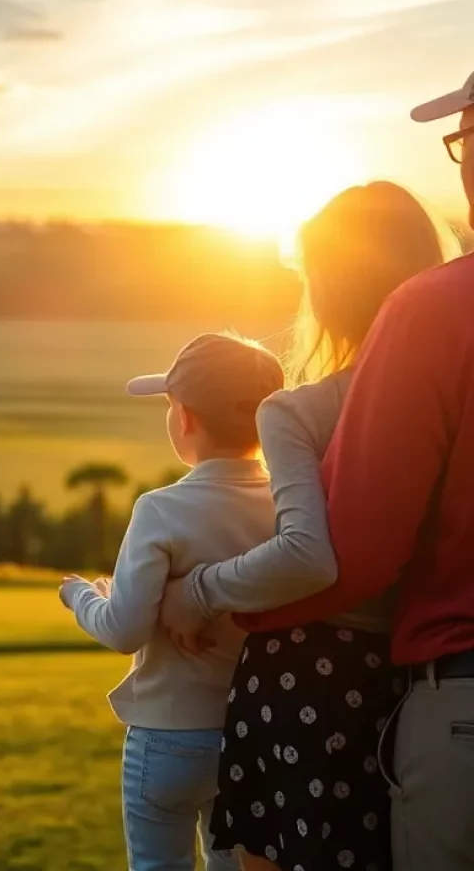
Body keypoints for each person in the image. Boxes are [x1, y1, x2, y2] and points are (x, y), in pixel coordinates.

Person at [158, 182, 454, 871]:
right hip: (413, 680)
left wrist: (199, 590)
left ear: (325, 287)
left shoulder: (299, 410)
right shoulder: (457, 395)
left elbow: (306, 554)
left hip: (305, 686)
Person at [59, 332, 284, 871]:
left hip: (167, 737)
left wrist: (81, 596)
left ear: (185, 419)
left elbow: (123, 630)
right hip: (253, 735)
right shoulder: (289, 504)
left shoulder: (160, 509)